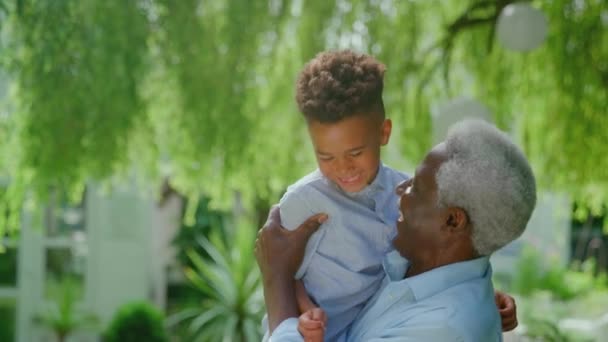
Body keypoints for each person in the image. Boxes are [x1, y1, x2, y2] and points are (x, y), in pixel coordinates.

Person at [263, 50, 516, 340]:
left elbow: (432, 261)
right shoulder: (304, 201)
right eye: (326, 157)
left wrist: (483, 294)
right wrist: (306, 312)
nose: (343, 168)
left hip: (376, 326)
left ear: (383, 133)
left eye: (355, 153)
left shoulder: (409, 196)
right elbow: (282, 273)